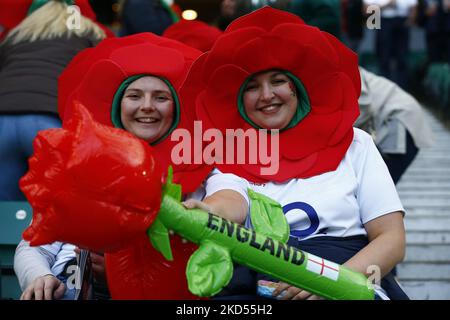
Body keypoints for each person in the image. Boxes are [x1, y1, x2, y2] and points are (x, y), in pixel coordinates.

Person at [181, 7, 408, 299]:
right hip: (262, 286)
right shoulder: (229, 150)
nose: (266, 95)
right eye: (252, 87)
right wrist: (208, 212)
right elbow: (229, 199)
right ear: (238, 99)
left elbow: (391, 238)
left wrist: (332, 284)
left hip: (350, 278)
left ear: (299, 87)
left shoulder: (357, 144)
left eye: (277, 81)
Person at [15, 33, 249, 300]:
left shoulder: (206, 157)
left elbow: (234, 198)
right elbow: (34, 246)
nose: (147, 107)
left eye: (160, 97)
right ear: (117, 105)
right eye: (134, 96)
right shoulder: (80, 167)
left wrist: (203, 212)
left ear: (177, 106)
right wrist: (40, 277)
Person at [0, 0, 108, 201]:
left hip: (3, 120)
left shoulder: (16, 36)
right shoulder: (87, 33)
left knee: (3, 207)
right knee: (57, 202)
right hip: (48, 121)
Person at [355, 67, 434, 184]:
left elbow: (364, 104)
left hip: (399, 118)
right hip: (400, 116)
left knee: (379, 184)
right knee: (377, 184)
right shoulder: (346, 69)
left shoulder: (344, 72)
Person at [362, 0, 418, 89]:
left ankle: (402, 89)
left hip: (402, 22)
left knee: (402, 58)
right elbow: (366, 10)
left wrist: (410, 20)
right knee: (384, 57)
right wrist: (387, 5)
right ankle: (385, 88)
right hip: (383, 21)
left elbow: (413, 6)